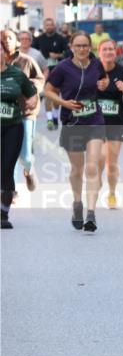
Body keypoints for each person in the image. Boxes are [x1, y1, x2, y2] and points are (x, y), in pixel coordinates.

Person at [44, 31, 110, 232]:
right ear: (71, 47)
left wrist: (104, 84)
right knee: (77, 169)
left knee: (92, 166)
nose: (82, 49)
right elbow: (48, 90)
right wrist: (64, 103)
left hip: (95, 120)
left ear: (90, 47)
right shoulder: (62, 68)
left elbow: (104, 79)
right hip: (72, 122)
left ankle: (91, 213)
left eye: (85, 46)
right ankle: (77, 203)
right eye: (78, 46)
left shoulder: (96, 63)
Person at [94, 39, 123, 209]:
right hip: (95, 122)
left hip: (116, 122)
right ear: (99, 52)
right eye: (105, 49)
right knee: (98, 159)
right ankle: (96, 181)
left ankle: (112, 193)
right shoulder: (92, 70)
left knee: (110, 161)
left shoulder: (122, 71)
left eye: (111, 49)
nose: (108, 52)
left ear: (116, 52)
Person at [1, 35, 38, 229]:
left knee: (7, 168)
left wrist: (32, 101)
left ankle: (3, 213)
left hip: (12, 127)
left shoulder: (16, 74)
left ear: (4, 54)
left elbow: (32, 93)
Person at [3, 31, 45, 192]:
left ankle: (29, 170)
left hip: (26, 112)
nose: (6, 41)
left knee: (26, 156)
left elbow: (40, 79)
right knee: (8, 154)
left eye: (10, 38)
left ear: (16, 42)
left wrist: (32, 91)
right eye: (3, 39)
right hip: (5, 115)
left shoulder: (27, 61)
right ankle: (11, 190)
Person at [32, 17, 68, 131]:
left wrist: (57, 56)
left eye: (51, 25)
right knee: (48, 94)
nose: (49, 27)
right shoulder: (38, 39)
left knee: (56, 95)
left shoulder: (61, 39)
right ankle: (49, 119)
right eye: (47, 25)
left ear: (54, 26)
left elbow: (67, 54)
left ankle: (55, 117)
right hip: (44, 71)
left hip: (58, 70)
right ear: (44, 26)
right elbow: (33, 53)